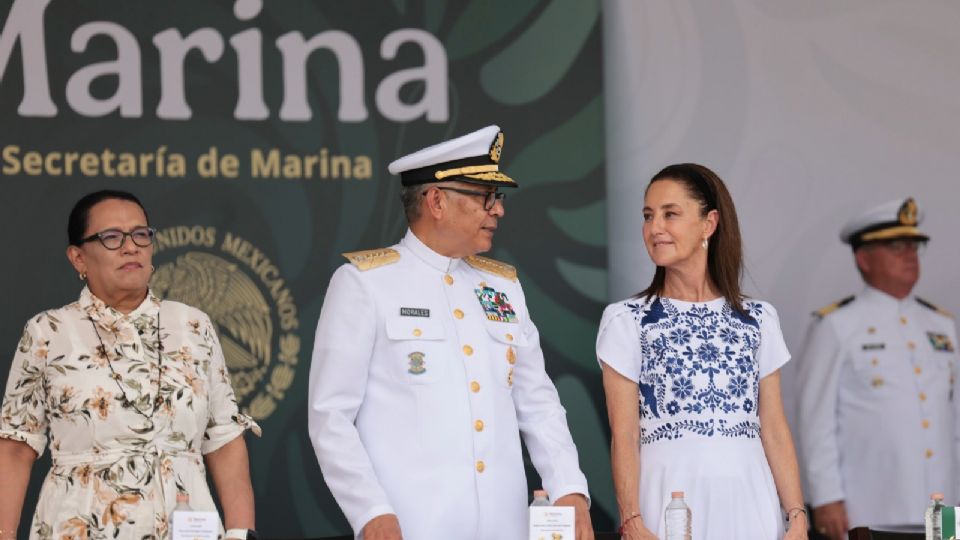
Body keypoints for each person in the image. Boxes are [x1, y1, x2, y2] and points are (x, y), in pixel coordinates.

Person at [308, 126, 592, 540]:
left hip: (504, 528)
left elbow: (538, 402)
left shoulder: (502, 287)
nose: (498, 210)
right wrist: (370, 511)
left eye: (497, 197)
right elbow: (330, 416)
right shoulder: (365, 284)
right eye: (485, 197)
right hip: (411, 527)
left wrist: (569, 487)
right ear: (437, 201)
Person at [0, 190, 260, 540]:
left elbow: (224, 439)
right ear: (78, 258)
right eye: (112, 237)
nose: (130, 247)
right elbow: (16, 448)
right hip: (80, 527)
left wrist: (241, 532)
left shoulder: (192, 325)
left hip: (187, 526)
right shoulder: (48, 332)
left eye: (140, 235)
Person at [597, 163, 808, 539]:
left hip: (751, 502)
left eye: (670, 214)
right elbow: (624, 435)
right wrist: (631, 519)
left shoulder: (758, 318)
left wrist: (798, 516)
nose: (655, 228)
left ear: (709, 224)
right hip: (667, 503)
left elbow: (774, 428)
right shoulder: (627, 320)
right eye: (648, 216)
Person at [796, 197, 958, 538]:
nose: (909, 255)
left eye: (914, 246)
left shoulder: (941, 325)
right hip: (869, 507)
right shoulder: (836, 325)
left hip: (942, 506)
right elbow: (816, 421)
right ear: (864, 258)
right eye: (896, 247)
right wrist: (826, 497)